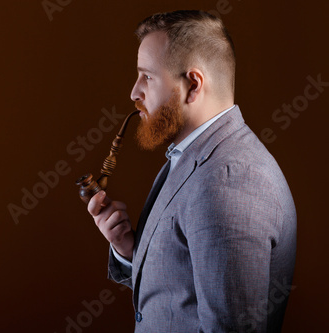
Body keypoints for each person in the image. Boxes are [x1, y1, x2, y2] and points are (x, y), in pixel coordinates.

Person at [86, 10, 296, 333]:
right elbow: (179, 296)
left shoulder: (228, 179)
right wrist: (129, 249)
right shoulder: (193, 158)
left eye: (148, 77)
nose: (134, 92)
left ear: (193, 85)